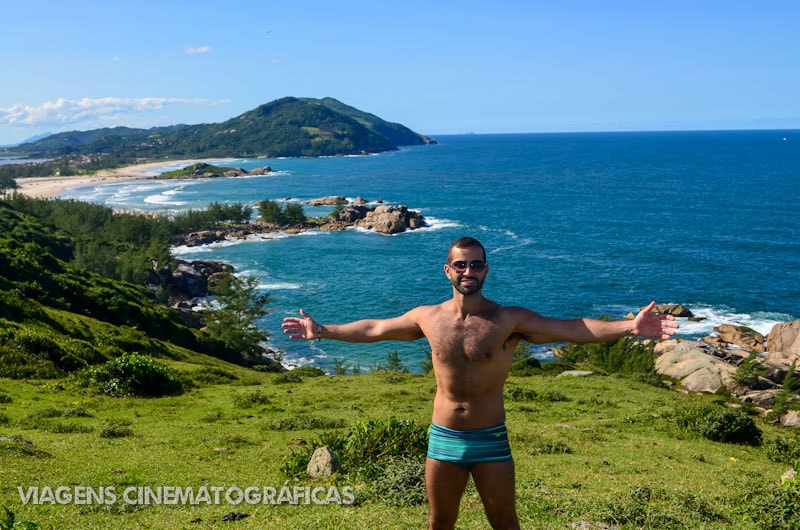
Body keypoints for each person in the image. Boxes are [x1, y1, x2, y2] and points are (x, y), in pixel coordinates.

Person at [281, 236, 679, 530]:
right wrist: (324, 330)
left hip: (490, 438)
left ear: (486, 270)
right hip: (443, 436)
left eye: (476, 265)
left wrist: (629, 326)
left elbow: (572, 328)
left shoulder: (509, 320)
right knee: (440, 524)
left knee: (505, 524)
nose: (468, 271)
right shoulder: (427, 317)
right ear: (448, 270)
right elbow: (376, 328)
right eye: (461, 265)